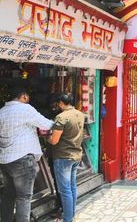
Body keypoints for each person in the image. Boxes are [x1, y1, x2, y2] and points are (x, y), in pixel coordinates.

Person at [0, 87, 54, 222]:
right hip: (23, 159)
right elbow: (46, 124)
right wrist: (59, 123)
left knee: (9, 194)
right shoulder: (25, 109)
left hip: (5, 160)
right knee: (24, 197)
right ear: (23, 96)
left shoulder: (1, 112)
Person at [47, 93, 85, 222]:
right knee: (72, 187)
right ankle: (71, 215)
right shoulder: (80, 114)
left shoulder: (61, 117)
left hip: (63, 157)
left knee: (65, 190)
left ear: (61, 103)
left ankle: (68, 219)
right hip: (76, 155)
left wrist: (47, 137)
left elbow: (54, 141)